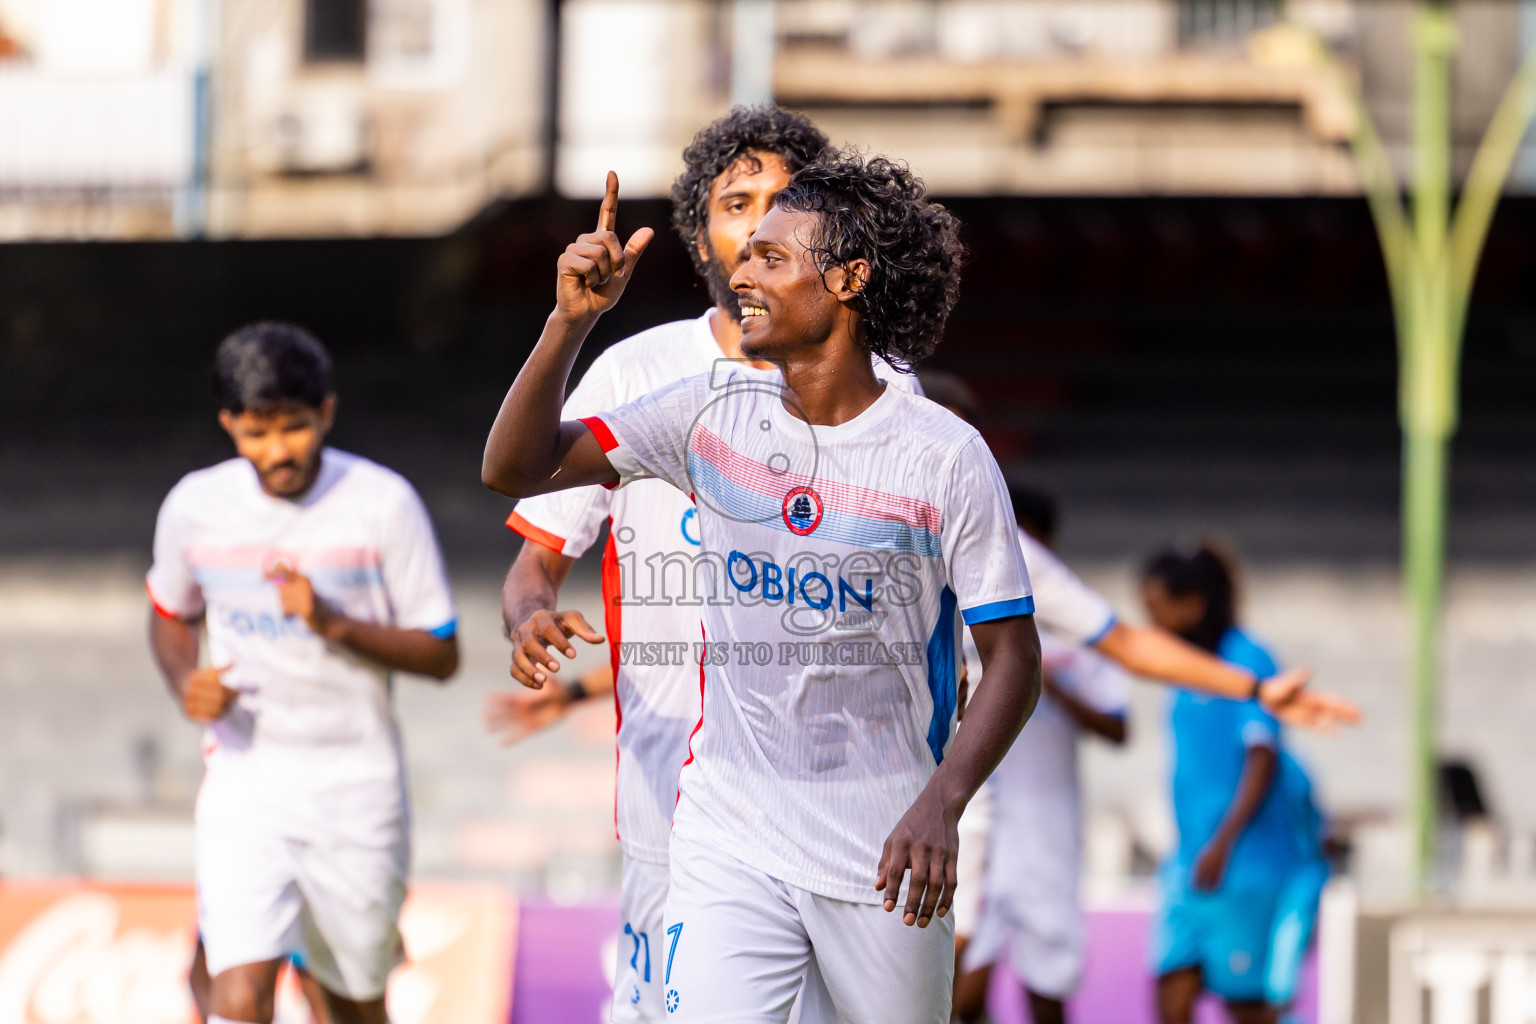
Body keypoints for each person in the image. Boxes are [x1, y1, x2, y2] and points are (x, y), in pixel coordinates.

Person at [483, 152, 1043, 1023]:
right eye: (746, 254)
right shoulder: (708, 414)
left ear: (849, 279)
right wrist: (567, 324)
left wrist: (943, 803)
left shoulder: (943, 456)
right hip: (729, 829)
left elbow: (1013, 660)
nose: (741, 274)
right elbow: (514, 468)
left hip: (884, 844)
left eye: (771, 258)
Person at [147, 322, 459, 1024]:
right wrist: (185, 681)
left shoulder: (382, 504)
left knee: (350, 1005)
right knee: (237, 994)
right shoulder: (195, 506)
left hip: (357, 789)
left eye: (293, 427)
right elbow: (169, 611)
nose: (277, 450)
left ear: (326, 412)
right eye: (256, 432)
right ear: (228, 424)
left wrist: (334, 624)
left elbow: (443, 653)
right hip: (246, 782)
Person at [953, 486, 1130, 1024]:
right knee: (962, 992)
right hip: (977, 822)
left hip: (1046, 833)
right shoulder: (963, 614)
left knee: (1046, 993)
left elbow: (1118, 726)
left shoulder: (1075, 626)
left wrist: (1045, 685)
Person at [1141, 544, 1299, 1024]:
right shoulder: (1186, 671)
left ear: (1193, 604)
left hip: (1238, 863)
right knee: (1170, 990)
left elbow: (1262, 755)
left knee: (1246, 1006)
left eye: (1157, 609)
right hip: (1187, 863)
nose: (1151, 623)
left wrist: (1223, 841)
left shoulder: (1246, 659)